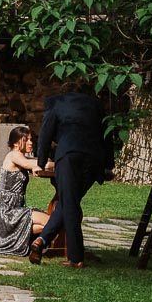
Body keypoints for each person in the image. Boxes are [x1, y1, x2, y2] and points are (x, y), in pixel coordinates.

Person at [28, 82, 113, 267]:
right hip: (94, 158)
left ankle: (75, 258)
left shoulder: (56, 103)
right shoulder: (96, 105)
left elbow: (45, 133)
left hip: (68, 155)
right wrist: (108, 165)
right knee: (69, 202)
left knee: (69, 202)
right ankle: (42, 241)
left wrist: (41, 162)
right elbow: (107, 133)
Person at [0, 127, 50, 255]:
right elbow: (29, 163)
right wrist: (39, 165)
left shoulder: (21, 157)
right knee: (49, 222)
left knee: (50, 223)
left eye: (31, 140)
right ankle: (14, 238)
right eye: (26, 140)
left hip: (14, 208)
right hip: (5, 209)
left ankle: (18, 238)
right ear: (15, 143)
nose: (31, 143)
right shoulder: (14, 155)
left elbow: (37, 163)